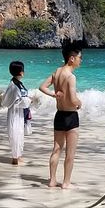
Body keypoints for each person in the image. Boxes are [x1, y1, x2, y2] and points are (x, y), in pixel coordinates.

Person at [39, 42, 82, 189]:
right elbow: (72, 98)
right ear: (71, 58)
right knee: (70, 153)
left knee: (56, 149)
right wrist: (79, 103)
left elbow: (42, 87)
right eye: (79, 58)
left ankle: (52, 180)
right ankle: (66, 183)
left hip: (59, 115)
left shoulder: (57, 72)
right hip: (71, 116)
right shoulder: (70, 76)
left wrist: (54, 95)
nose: (80, 60)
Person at [1, 61, 32, 165]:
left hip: (20, 113)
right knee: (15, 134)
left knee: (19, 134)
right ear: (21, 72)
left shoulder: (18, 84)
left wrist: (26, 100)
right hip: (15, 113)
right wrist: (28, 100)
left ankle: (18, 155)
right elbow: (10, 101)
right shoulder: (13, 86)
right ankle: (15, 158)